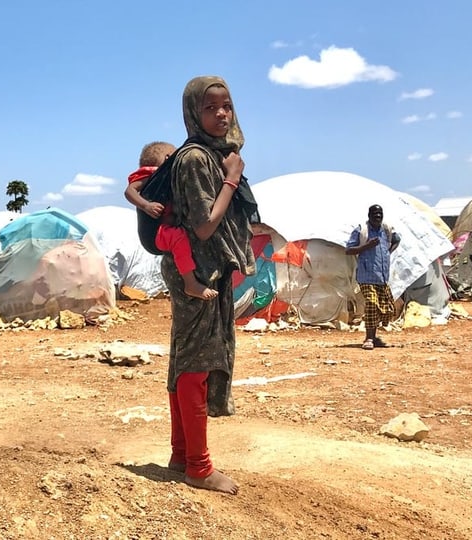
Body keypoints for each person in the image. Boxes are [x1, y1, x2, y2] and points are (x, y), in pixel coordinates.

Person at [162, 76, 257, 495]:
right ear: (192, 114)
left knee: (188, 359)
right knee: (197, 363)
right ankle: (198, 467)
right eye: (210, 108)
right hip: (199, 273)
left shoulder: (212, 155)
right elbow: (202, 227)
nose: (221, 114)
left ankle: (182, 453)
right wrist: (232, 178)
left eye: (227, 106)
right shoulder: (198, 159)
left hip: (204, 271)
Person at [124, 141, 217, 300]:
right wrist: (146, 205)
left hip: (162, 230)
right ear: (168, 158)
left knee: (181, 237)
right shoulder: (151, 174)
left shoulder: (167, 179)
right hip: (155, 233)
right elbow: (129, 191)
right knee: (179, 237)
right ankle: (191, 284)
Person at [345, 204, 400, 350]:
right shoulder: (361, 231)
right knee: (371, 304)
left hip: (382, 276)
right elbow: (348, 250)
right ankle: (369, 338)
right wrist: (366, 246)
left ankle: (374, 337)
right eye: (375, 214)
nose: (377, 216)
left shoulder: (386, 230)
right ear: (369, 215)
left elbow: (397, 240)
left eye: (380, 214)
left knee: (386, 309)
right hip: (366, 275)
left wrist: (388, 252)